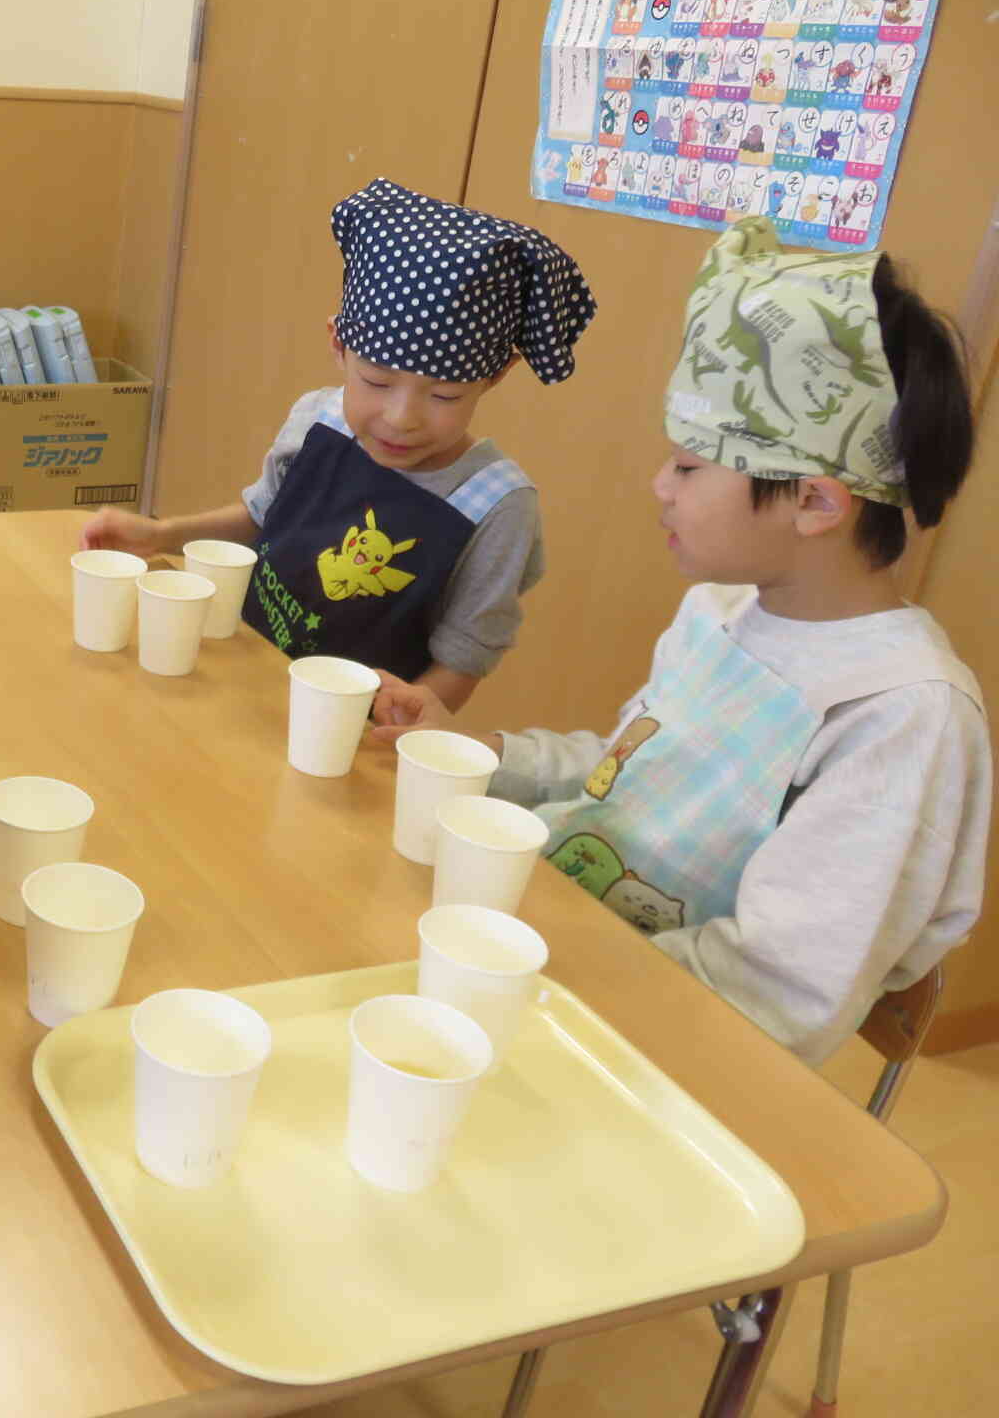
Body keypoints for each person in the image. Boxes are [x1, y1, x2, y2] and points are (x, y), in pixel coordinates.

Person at [375, 218, 989, 1067]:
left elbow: (778, 994)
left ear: (815, 502)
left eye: (693, 467)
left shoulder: (902, 718)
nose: (659, 485)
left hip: (655, 1056)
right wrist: (475, 750)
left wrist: (543, 976)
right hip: (546, 961)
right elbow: (627, 770)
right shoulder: (721, 612)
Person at [82, 178, 596, 713]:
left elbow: (464, 657)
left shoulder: (497, 505)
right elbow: (263, 517)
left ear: (495, 377)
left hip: (347, 737)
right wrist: (162, 535)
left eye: (444, 395)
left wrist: (407, 714)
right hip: (235, 685)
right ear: (338, 345)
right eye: (376, 382)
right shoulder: (317, 420)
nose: (402, 419)